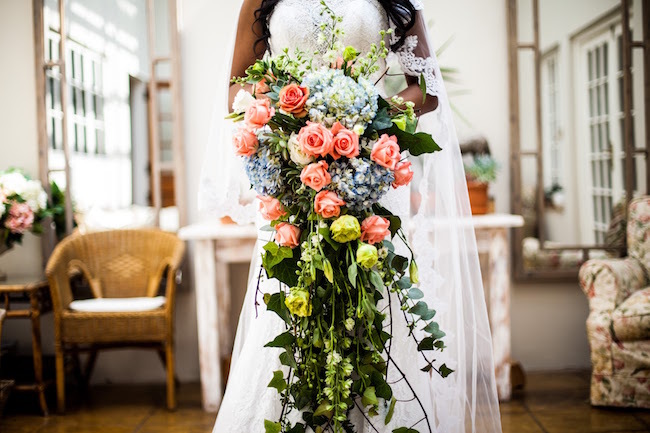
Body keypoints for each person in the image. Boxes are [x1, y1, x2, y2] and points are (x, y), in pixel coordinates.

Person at [200, 1, 502, 431]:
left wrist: (370, 123)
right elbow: (237, 85)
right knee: (294, 305)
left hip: (368, 178)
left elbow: (428, 86)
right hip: (296, 176)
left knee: (374, 306)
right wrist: (293, 118)